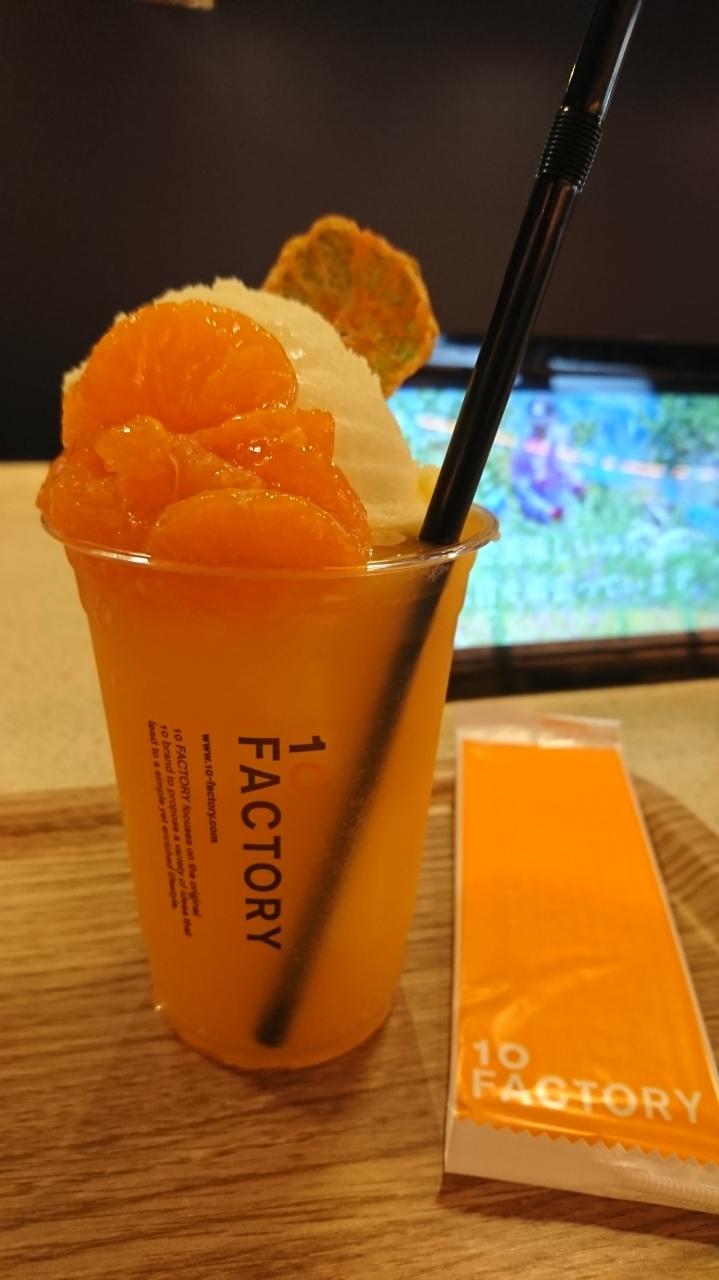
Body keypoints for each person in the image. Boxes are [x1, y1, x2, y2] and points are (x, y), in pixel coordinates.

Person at [510, 396, 586, 523]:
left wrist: (576, 484)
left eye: (544, 425)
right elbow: (521, 486)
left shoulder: (562, 436)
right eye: (536, 425)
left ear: (553, 419)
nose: (540, 429)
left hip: (562, 498)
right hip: (535, 506)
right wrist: (547, 510)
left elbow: (570, 468)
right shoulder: (523, 445)